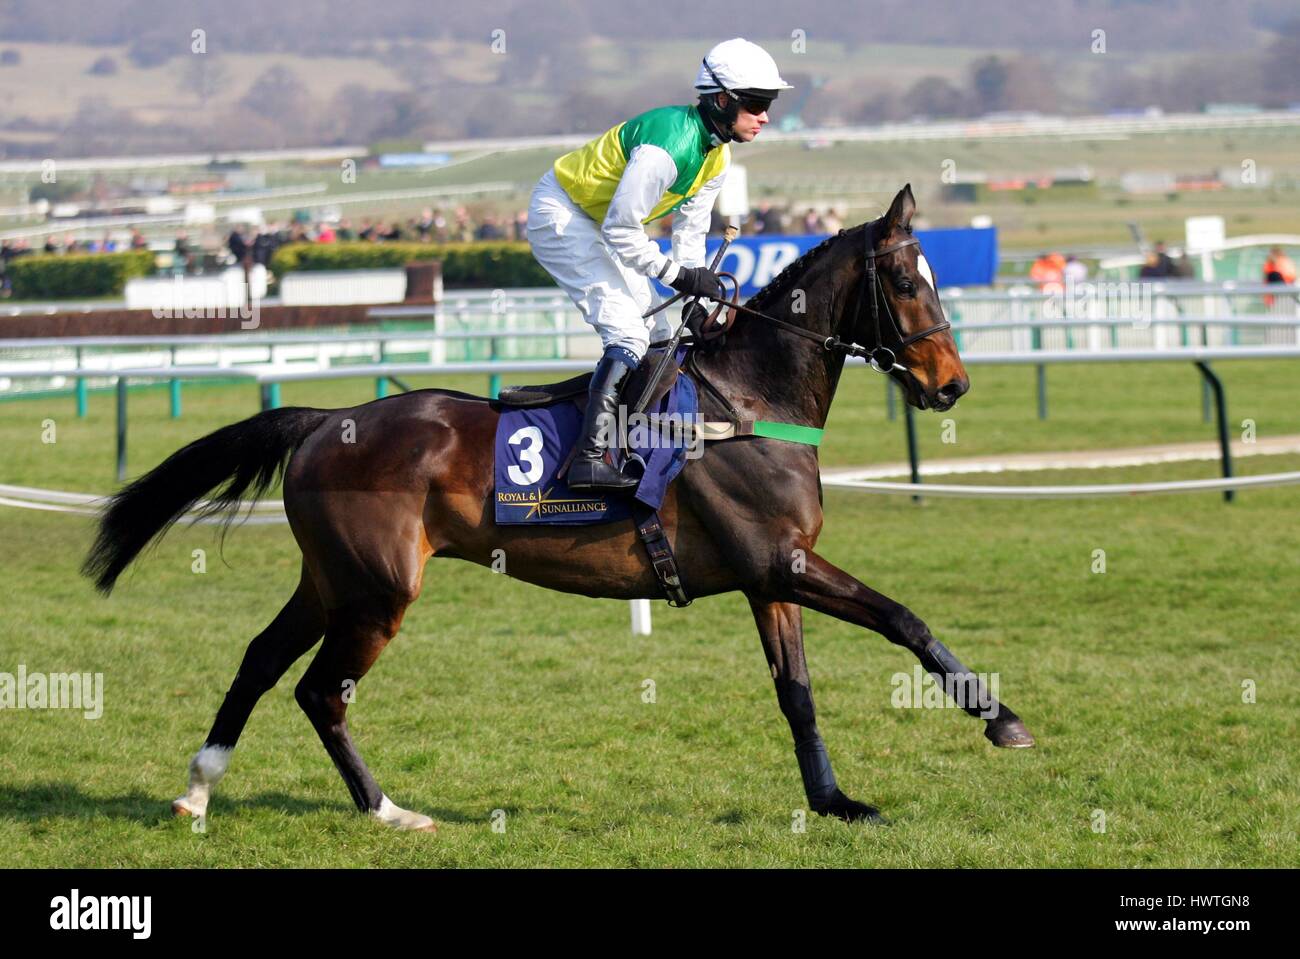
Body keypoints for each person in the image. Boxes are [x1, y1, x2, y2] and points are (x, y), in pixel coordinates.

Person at [526, 37, 790, 492]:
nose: (765, 116)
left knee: (662, 333)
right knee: (628, 332)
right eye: (756, 104)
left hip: (599, 223)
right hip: (564, 215)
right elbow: (621, 231)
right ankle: (589, 459)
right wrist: (678, 276)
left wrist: (694, 298)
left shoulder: (717, 155)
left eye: (769, 104)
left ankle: (642, 444)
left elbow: (689, 235)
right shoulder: (668, 146)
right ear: (722, 100)